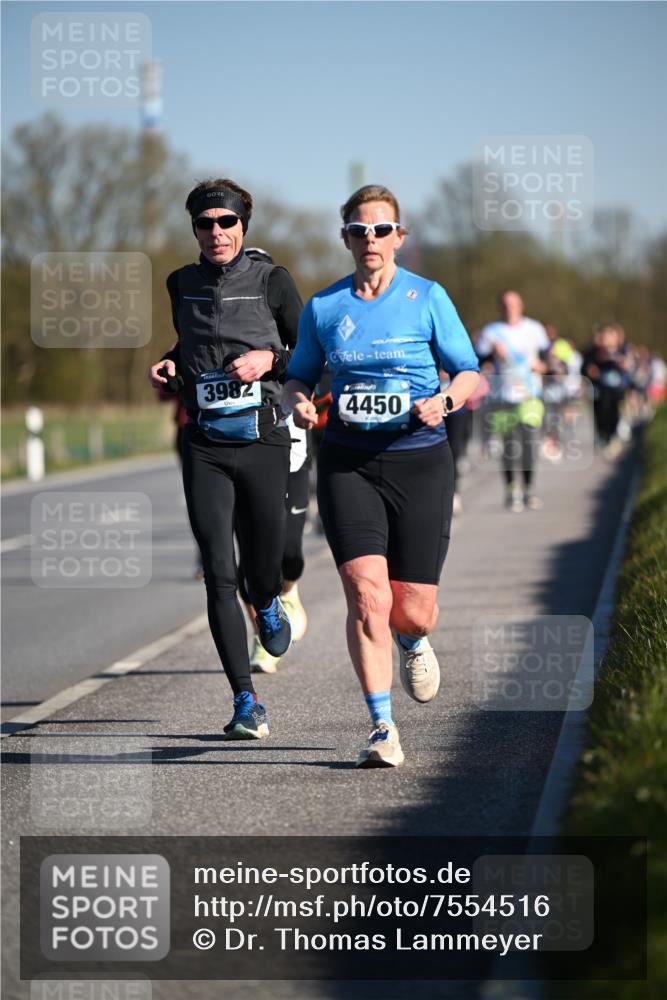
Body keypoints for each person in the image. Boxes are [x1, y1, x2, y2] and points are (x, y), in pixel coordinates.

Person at [283, 184, 480, 768]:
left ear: (400, 237)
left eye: (382, 229)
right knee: (366, 597)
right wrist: (297, 401)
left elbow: (467, 371)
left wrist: (443, 401)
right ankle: (381, 726)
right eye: (359, 230)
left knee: (410, 608)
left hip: (420, 460)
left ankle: (414, 640)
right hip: (349, 462)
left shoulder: (427, 298)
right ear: (345, 237)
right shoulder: (324, 307)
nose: (370, 240)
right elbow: (299, 377)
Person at [148, 179, 302, 739]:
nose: (216, 232)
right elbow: (188, 344)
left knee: (259, 571)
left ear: (243, 225)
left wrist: (269, 359)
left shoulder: (272, 280)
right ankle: (245, 700)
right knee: (218, 571)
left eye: (226, 222)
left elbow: (311, 355)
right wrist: (168, 364)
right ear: (193, 228)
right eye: (204, 223)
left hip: (262, 439)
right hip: (205, 444)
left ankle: (265, 601)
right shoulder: (180, 283)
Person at [238, 247, 309, 674]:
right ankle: (263, 639)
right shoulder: (226, 327)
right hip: (238, 449)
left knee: (290, 552)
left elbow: (314, 365)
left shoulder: (291, 326)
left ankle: (291, 590)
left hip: (291, 446)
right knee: (248, 557)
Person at [476, 291, 550, 511]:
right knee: (508, 445)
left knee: (528, 442)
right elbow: (477, 361)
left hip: (530, 393)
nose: (510, 308)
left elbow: (547, 356)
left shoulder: (535, 329)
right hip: (503, 395)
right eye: (506, 305)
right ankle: (511, 490)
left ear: (521, 305)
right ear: (500, 307)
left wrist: (542, 366)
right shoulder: (490, 332)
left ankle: (528, 489)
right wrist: (491, 354)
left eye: (514, 304)